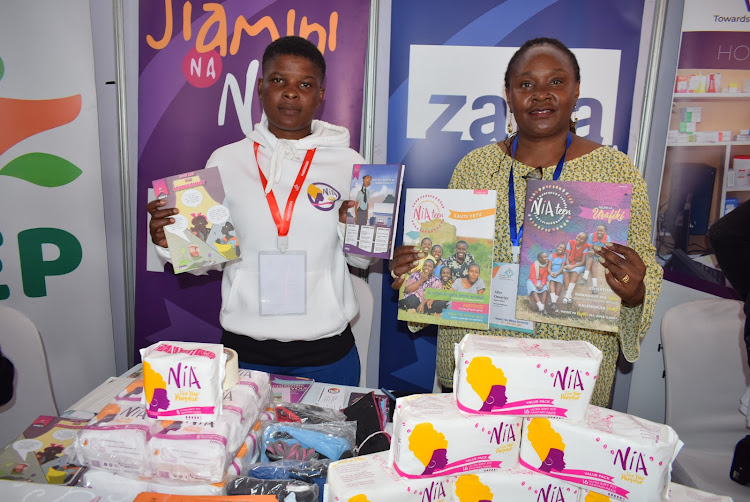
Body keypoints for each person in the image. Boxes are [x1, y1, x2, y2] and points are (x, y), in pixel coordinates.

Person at [390, 37, 662, 407]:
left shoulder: (615, 172)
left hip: (568, 374)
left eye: (556, 82)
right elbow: (448, 264)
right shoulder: (475, 167)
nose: (541, 95)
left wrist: (635, 292)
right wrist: (417, 276)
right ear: (509, 95)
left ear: (576, 90)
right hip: (480, 364)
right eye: (526, 84)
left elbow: (643, 264)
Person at [146, 36, 373, 386]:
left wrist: (352, 228)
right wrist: (168, 240)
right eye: (279, 80)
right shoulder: (226, 160)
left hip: (327, 355)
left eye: (305, 84)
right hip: (246, 354)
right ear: (260, 87)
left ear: (321, 95)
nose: (291, 93)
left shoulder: (351, 164)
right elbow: (206, 257)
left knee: (330, 443)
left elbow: (363, 261)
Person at [581, 224, 611, 294]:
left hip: (599, 254)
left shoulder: (607, 238)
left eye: (601, 231)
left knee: (594, 259)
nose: (599, 232)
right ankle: (593, 286)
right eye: (598, 230)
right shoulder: (592, 235)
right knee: (592, 259)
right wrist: (592, 252)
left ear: (605, 232)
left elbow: (604, 251)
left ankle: (585, 278)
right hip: (591, 253)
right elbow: (590, 247)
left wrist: (595, 253)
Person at [561, 232, 589, 304]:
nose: (579, 239)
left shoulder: (585, 247)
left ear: (584, 241)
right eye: (578, 237)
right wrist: (568, 265)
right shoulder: (570, 243)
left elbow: (583, 262)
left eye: (581, 239)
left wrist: (572, 266)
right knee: (565, 271)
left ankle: (566, 296)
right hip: (570, 263)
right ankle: (569, 296)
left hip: (579, 265)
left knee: (575, 272)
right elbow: (567, 258)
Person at [548, 242, 567, 310]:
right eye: (560, 247)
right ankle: (553, 302)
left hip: (560, 273)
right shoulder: (551, 255)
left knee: (559, 283)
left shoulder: (564, 257)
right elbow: (549, 267)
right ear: (557, 247)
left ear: (565, 251)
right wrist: (551, 273)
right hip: (552, 273)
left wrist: (557, 274)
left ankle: (553, 302)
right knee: (551, 281)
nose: (561, 249)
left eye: (563, 249)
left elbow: (562, 267)